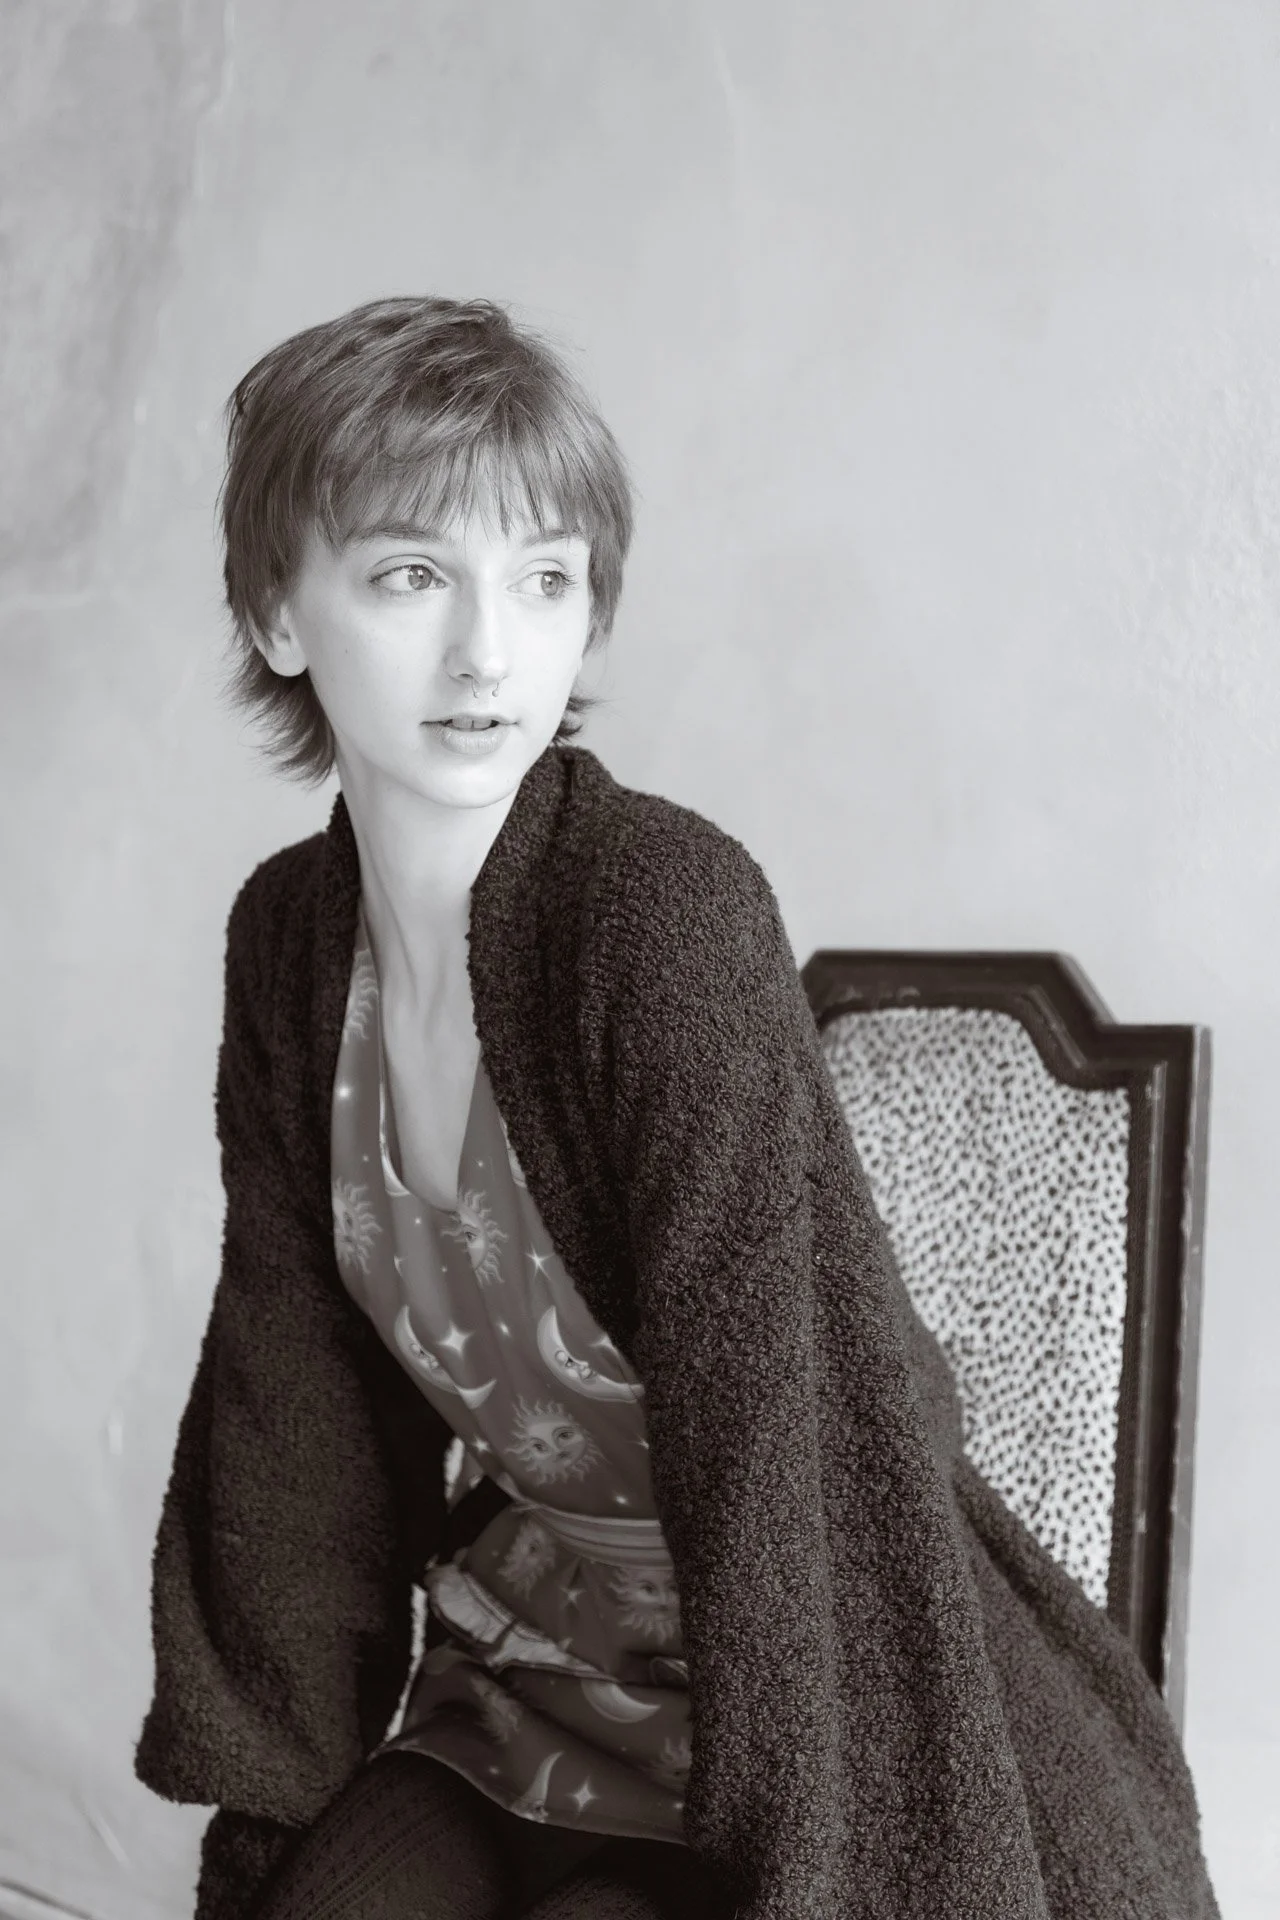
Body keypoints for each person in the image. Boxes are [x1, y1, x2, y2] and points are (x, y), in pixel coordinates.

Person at [134, 295, 1220, 1920]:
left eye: (546, 579)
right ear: (279, 611)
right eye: (412, 575)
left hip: (820, 1696)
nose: (488, 652)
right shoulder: (290, 944)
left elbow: (782, 1446)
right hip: (531, 1672)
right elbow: (294, 1417)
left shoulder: (660, 913)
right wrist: (267, 1815)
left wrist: (802, 1877)